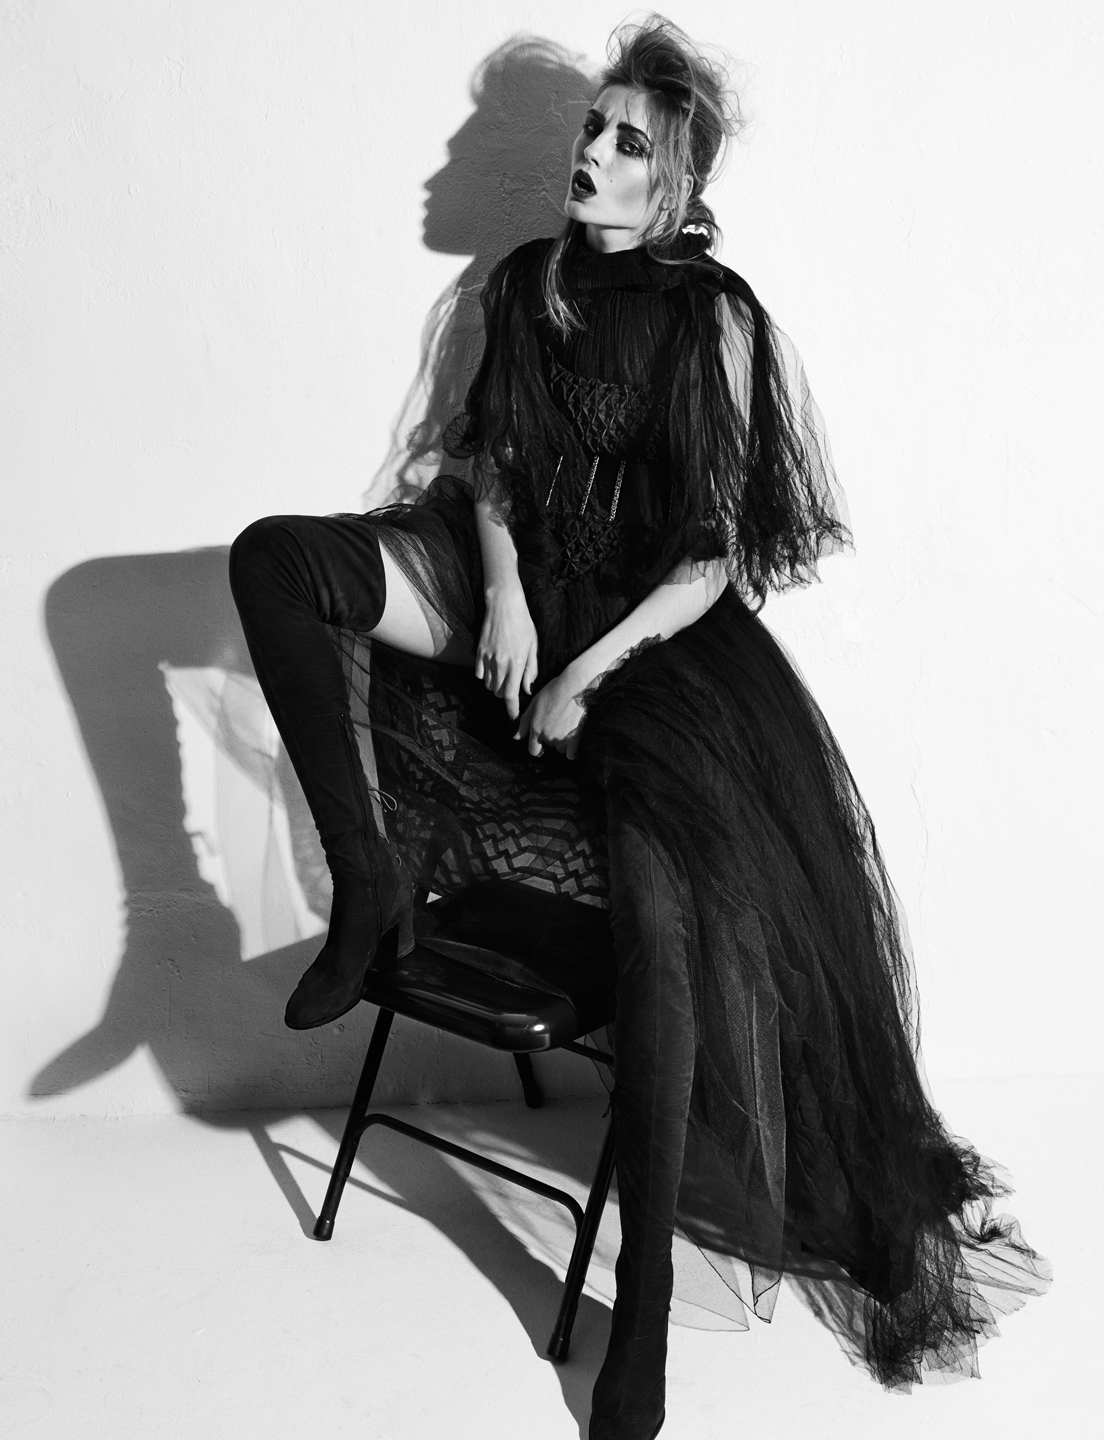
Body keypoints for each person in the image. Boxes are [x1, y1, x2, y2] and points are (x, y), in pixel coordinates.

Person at [229, 17, 1049, 1439]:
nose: (593, 155)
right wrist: (500, 597)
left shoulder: (713, 314)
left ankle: (647, 1305)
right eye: (591, 129)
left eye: (627, 143)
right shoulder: (524, 280)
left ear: (675, 186)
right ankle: (369, 881)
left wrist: (582, 672)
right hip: (522, 588)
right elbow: (490, 464)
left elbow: (715, 556)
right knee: (280, 560)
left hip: (653, 641)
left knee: (664, 911)